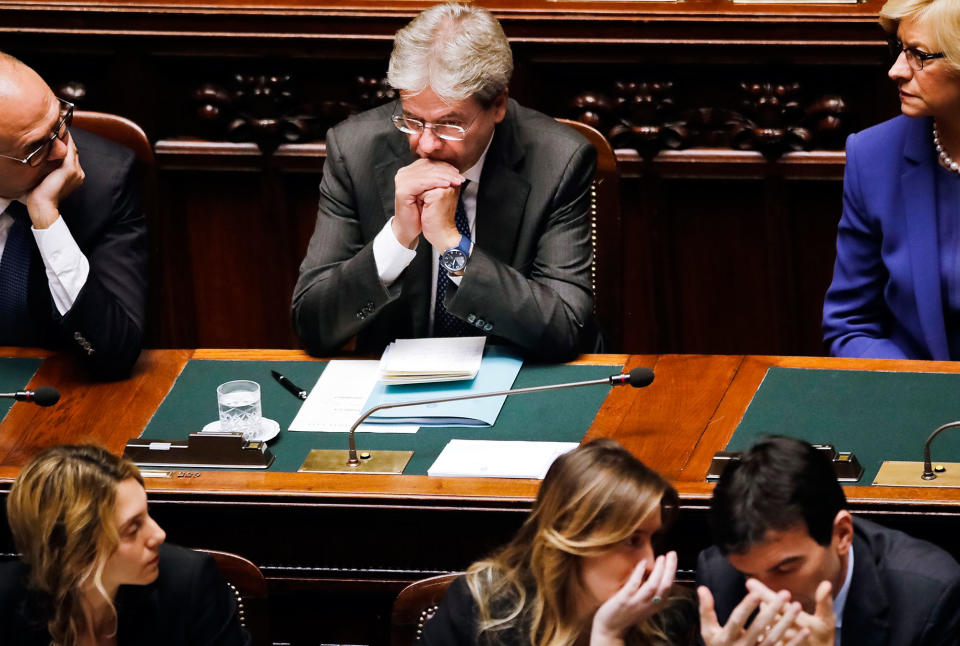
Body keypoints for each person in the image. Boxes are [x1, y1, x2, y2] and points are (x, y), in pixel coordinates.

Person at [292, 3, 600, 361]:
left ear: (498, 104)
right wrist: (396, 239)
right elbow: (311, 325)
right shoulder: (355, 151)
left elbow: (564, 329)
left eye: (450, 124)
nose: (424, 144)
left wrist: (453, 246)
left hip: (515, 380)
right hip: (392, 391)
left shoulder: (559, 160)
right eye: (412, 120)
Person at [420, 438, 697, 646]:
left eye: (652, 539)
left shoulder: (671, 619)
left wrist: (608, 636)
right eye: (632, 541)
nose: (649, 562)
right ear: (571, 537)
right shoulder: (479, 607)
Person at [697, 436, 960, 646]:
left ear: (842, 534)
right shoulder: (720, 579)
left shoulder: (929, 598)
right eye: (748, 576)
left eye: (785, 568)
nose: (767, 596)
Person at [0, 444, 250, 646]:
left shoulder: (189, 585)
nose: (159, 535)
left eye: (147, 514)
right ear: (75, 550)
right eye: (133, 528)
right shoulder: (6, 600)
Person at [823, 0, 960, 359]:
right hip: (921, 405)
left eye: (918, 54)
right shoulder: (874, 156)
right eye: (899, 49)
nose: (896, 70)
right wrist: (920, 392)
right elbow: (850, 325)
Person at [0, 52, 146, 378]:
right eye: (37, 148)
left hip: (64, 391)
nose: (63, 150)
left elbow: (114, 353)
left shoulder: (105, 180)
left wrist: (46, 218)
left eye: (60, 122)